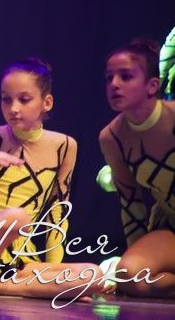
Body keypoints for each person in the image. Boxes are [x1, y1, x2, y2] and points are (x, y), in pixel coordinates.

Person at [0, 58, 104, 299]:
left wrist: (53, 271)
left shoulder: (65, 145)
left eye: (24, 99)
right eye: (6, 99)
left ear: (46, 102)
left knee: (94, 275)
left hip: (19, 253)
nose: (14, 108)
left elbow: (58, 211)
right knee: (16, 218)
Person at [99, 39, 174, 298]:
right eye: (109, 77)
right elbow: (131, 204)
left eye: (126, 76)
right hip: (170, 229)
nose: (114, 84)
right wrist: (137, 254)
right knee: (129, 276)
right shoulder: (111, 137)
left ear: (152, 85)